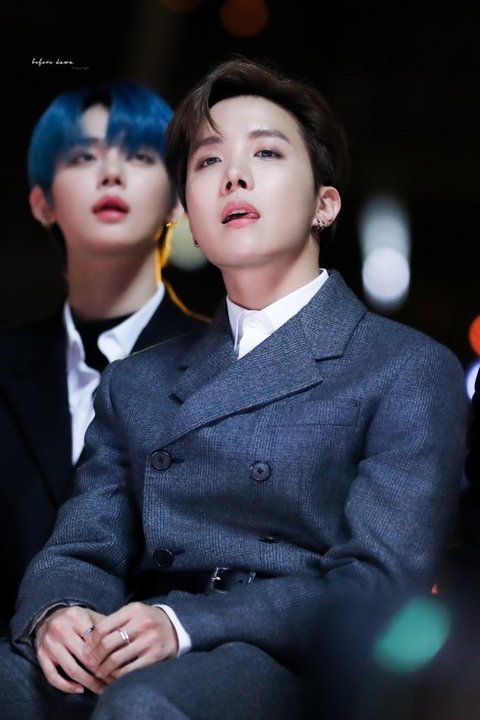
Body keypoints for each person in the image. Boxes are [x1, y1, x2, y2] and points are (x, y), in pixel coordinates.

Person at [0, 56, 468, 720]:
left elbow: (374, 585)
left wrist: (183, 623)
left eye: (267, 153)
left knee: (144, 706)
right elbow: (82, 545)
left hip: (288, 661)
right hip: (133, 638)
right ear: (189, 215)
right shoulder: (137, 381)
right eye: (208, 161)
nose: (234, 176)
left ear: (325, 205)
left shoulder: (404, 369)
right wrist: (62, 610)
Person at [0, 80, 208, 634]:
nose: (110, 173)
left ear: (178, 200)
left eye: (138, 156)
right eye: (83, 157)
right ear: (42, 202)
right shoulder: (6, 365)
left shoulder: (228, 365)